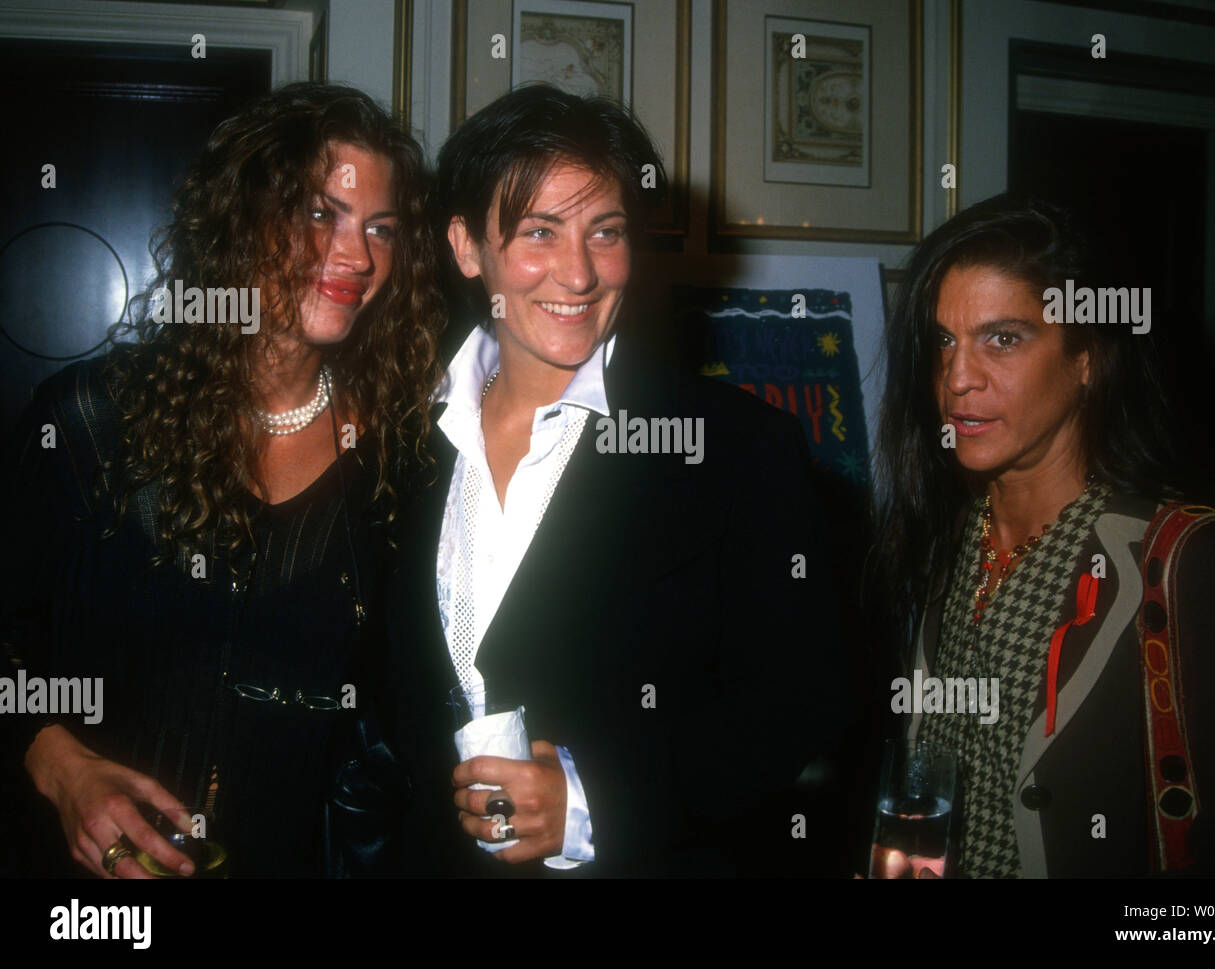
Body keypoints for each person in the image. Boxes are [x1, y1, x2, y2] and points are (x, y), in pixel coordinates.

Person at [382, 84, 841, 876]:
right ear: (466, 245)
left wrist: (594, 798)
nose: (580, 273)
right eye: (539, 232)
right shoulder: (398, 441)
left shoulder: (737, 448)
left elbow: (797, 710)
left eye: (607, 232)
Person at [0, 82, 442, 877]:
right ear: (243, 218)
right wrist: (62, 767)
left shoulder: (401, 461)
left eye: (381, 228)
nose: (359, 255)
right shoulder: (92, 420)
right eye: (321, 213)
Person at [868, 194, 1215, 877]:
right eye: (944, 341)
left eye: (1002, 338)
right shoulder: (944, 545)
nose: (957, 377)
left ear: (1087, 359)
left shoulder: (1199, 567)